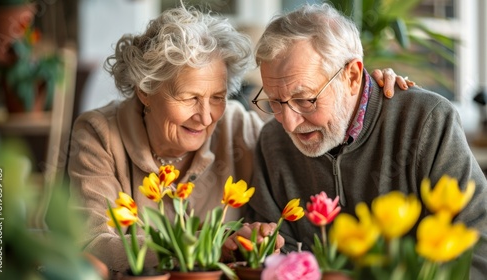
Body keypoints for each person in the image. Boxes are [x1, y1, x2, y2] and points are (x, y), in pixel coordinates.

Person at [67, 3, 410, 275]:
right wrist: (205, 246)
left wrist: (364, 91)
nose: (205, 116)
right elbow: (91, 240)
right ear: (146, 91)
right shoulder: (100, 134)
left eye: (217, 96)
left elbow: (322, 140)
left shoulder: (238, 128)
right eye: (189, 98)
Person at [245, 2, 487, 278]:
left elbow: (477, 243)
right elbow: (274, 258)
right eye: (275, 101)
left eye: (305, 100)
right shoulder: (272, 142)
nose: (288, 122)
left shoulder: (426, 121)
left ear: (352, 76)